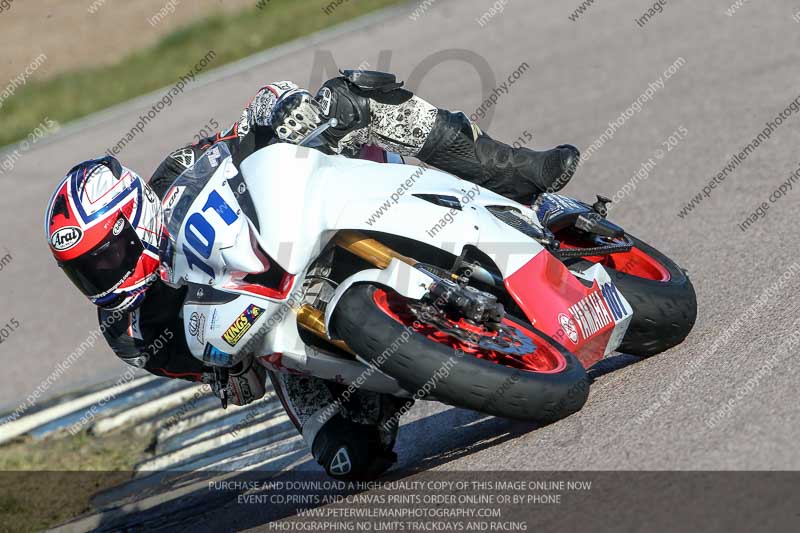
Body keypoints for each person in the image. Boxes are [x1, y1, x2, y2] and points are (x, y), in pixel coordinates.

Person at [45, 71, 580, 479]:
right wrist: (224, 375)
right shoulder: (131, 330)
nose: (100, 277)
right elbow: (229, 380)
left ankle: (514, 176)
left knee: (351, 95)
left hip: (308, 222)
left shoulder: (175, 177)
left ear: (134, 218)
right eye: (85, 271)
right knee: (349, 457)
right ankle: (408, 368)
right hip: (283, 339)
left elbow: (249, 125)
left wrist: (282, 107)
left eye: (105, 256)